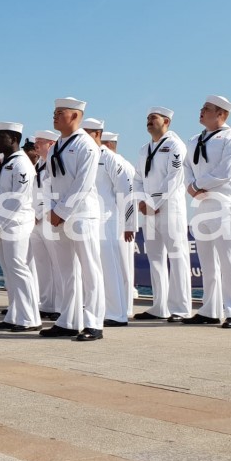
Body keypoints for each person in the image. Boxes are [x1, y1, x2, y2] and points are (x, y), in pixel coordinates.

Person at [40, 97, 105, 342]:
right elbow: (48, 180)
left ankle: (94, 323)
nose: (54, 116)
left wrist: (61, 211)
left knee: (90, 269)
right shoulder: (58, 144)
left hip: (81, 214)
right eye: (54, 112)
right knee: (66, 271)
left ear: (75, 116)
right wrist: (50, 208)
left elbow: (83, 183)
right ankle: (68, 320)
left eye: (60, 112)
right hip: (58, 214)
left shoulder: (87, 145)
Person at [183, 95, 231, 328]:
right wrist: (190, 186)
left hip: (223, 204)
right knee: (207, 260)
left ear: (221, 114)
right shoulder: (193, 140)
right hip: (200, 204)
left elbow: (226, 170)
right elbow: (186, 167)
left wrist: (198, 185)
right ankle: (209, 309)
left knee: (228, 259)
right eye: (202, 107)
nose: (201, 111)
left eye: (207, 109)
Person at [132, 106, 191, 322]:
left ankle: (182, 308)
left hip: (169, 206)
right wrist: (141, 200)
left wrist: (155, 202)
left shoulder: (175, 145)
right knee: (155, 258)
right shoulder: (143, 150)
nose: (149, 121)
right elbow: (137, 178)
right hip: (148, 208)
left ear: (166, 121)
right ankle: (159, 306)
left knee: (177, 256)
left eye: (153, 118)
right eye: (147, 118)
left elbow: (175, 176)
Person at [0, 122, 41, 331]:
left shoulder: (21, 164)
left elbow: (19, 198)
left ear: (14, 140)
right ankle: (14, 314)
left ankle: (30, 318)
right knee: (9, 271)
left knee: (19, 268)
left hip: (15, 224)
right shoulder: (3, 165)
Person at [83, 119, 137, 326]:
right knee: (93, 269)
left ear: (97, 134)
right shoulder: (84, 157)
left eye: (87, 133)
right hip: (88, 220)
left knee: (111, 268)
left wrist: (129, 224)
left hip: (108, 221)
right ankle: (100, 310)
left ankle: (116, 314)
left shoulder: (110, 159)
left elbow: (127, 193)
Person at [101, 132, 138, 315]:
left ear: (107, 144)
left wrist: (129, 224)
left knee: (123, 267)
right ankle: (118, 306)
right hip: (110, 221)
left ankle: (125, 308)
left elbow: (128, 196)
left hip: (119, 222)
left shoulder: (120, 163)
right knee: (114, 267)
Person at [28, 130, 61, 321]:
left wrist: (40, 212)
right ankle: (47, 303)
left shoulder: (56, 163)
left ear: (51, 144)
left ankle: (60, 305)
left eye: (40, 142)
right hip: (36, 221)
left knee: (58, 264)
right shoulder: (39, 164)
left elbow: (54, 192)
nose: (36, 145)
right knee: (42, 264)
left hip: (50, 218)